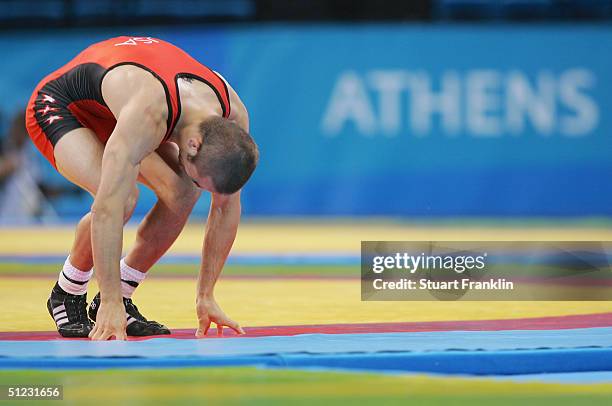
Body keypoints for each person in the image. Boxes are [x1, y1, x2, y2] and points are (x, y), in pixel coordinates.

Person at [25, 36, 259, 340]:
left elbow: (226, 206)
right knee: (122, 199)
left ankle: (122, 292)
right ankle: (68, 293)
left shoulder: (233, 116)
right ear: (194, 143)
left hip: (119, 107)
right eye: (201, 178)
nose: (200, 186)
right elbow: (105, 208)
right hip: (63, 105)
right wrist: (108, 303)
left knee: (183, 191)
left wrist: (206, 295)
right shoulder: (150, 114)